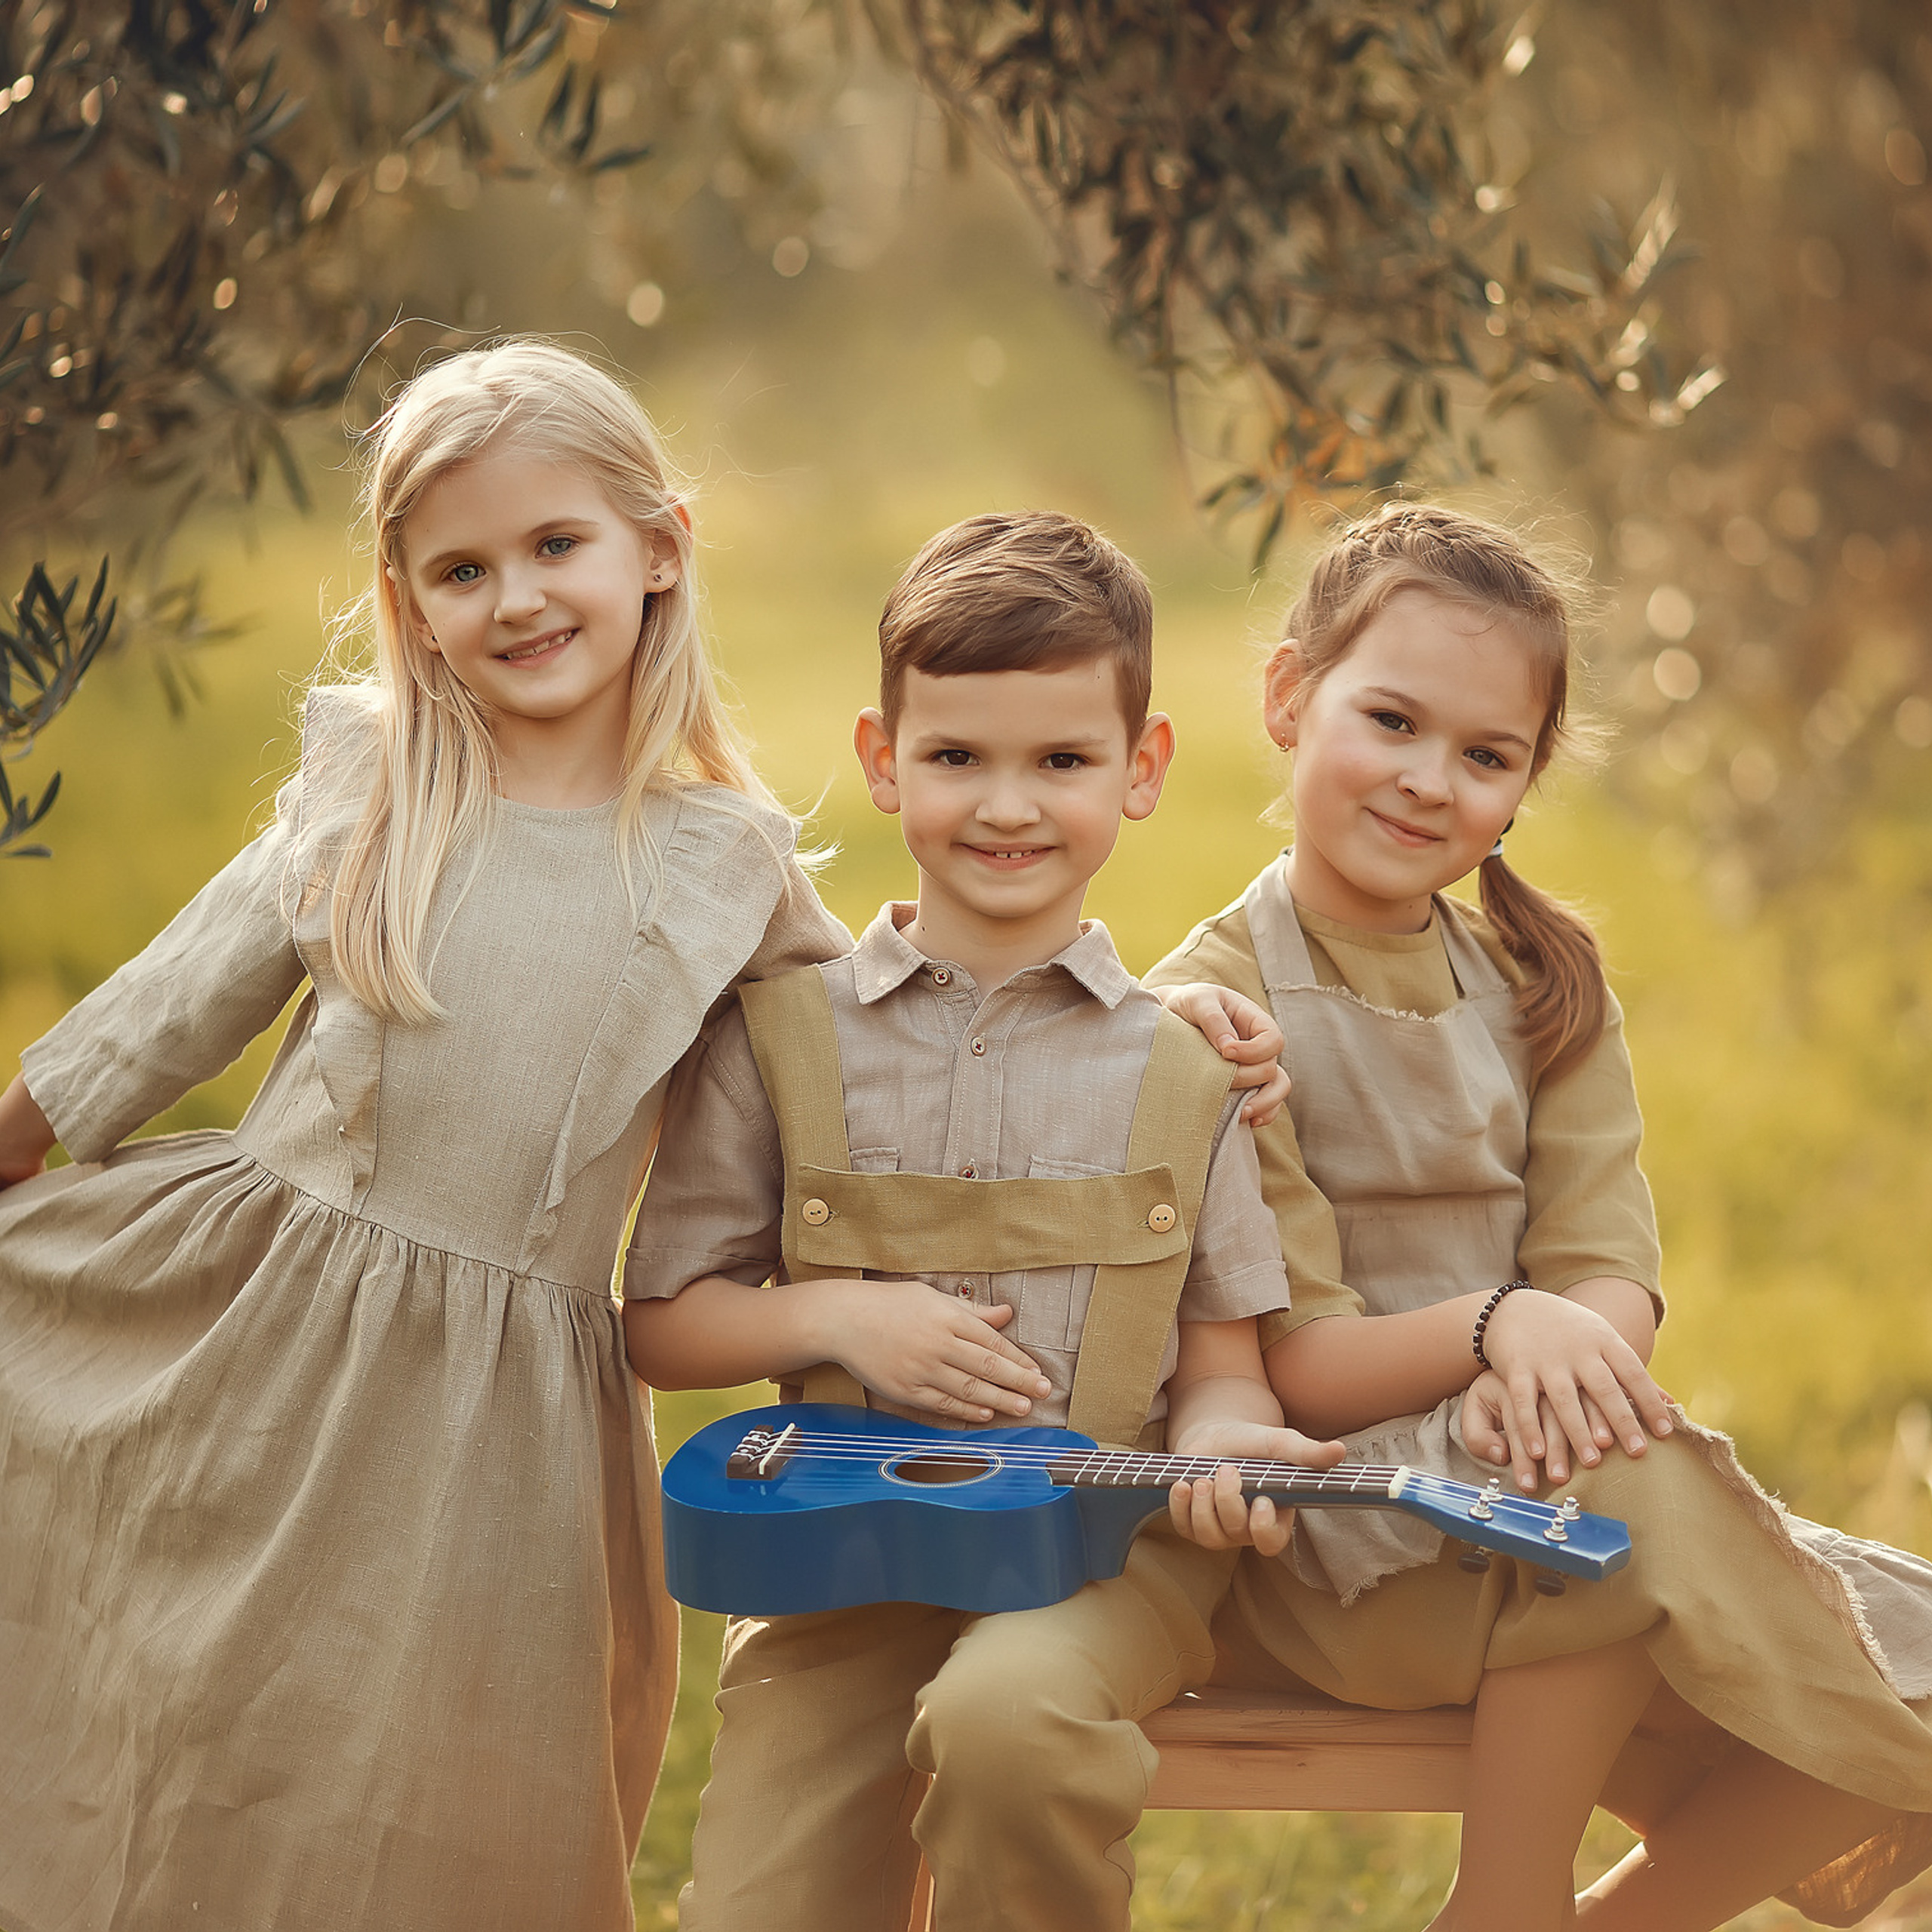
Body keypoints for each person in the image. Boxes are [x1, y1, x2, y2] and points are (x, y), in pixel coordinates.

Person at [1144, 501, 1932, 1931]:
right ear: (1285, 696)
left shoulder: (1545, 987)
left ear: (1524, 785)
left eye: (1485, 755)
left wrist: (1567, 1366)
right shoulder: (1214, 1017)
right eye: (1390, 720)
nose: (1427, 780)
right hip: (1347, 1535)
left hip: (1542, 1466)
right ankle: (1506, 1905)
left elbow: (1603, 1259)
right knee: (1663, 1538)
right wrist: (1508, 1335)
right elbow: (1298, 1362)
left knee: (1897, 1654)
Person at [623, 509, 1346, 1932]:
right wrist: (837, 1314)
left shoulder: (1191, 1070)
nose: (1007, 806)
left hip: (1102, 1568)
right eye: (957, 758)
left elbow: (1220, 1366)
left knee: (1011, 1722)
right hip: (837, 1576)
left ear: (1140, 772)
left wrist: (1215, 1447)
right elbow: (661, 1323)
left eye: (1061, 761)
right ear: (884, 761)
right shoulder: (779, 1039)